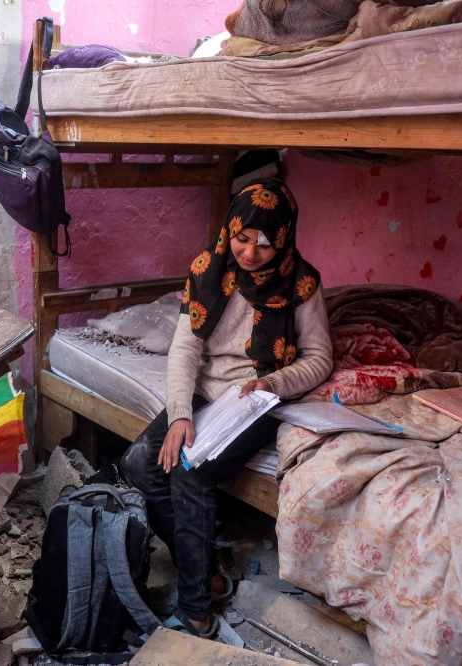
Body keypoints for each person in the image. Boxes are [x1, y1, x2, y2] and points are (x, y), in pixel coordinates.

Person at [120, 177, 333, 637]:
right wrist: (180, 414)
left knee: (190, 471)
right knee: (138, 463)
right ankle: (209, 567)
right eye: (242, 238)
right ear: (230, 229)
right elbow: (185, 349)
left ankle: (195, 612)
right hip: (207, 389)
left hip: (257, 397)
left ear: (284, 239)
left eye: (265, 243)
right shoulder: (207, 269)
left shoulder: (301, 282)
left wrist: (272, 381)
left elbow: (319, 359)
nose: (250, 253)